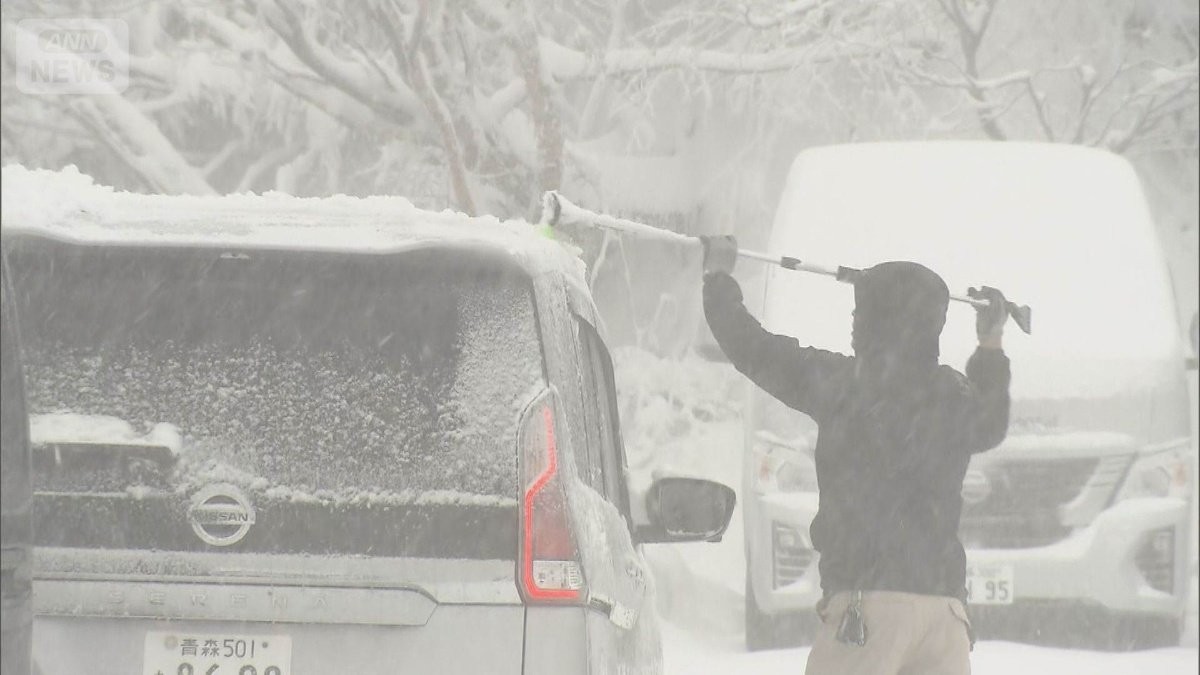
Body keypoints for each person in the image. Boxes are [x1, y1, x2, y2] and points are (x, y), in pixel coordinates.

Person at [699, 235, 1010, 675]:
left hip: (868, 609)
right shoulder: (954, 396)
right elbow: (992, 420)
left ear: (874, 321)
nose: (852, 322)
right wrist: (991, 342)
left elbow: (754, 349)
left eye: (859, 312)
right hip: (945, 616)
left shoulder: (844, 386)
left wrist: (717, 280)